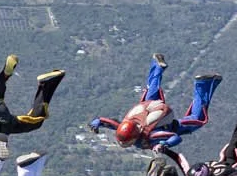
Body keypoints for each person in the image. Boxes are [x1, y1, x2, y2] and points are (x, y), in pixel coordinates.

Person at [90, 56, 220, 150]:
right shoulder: (123, 127)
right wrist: (96, 123)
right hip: (148, 106)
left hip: (168, 122)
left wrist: (164, 144)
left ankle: (203, 84)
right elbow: (105, 121)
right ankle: (157, 67)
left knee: (198, 119)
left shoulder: (152, 135)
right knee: (151, 90)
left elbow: (175, 137)